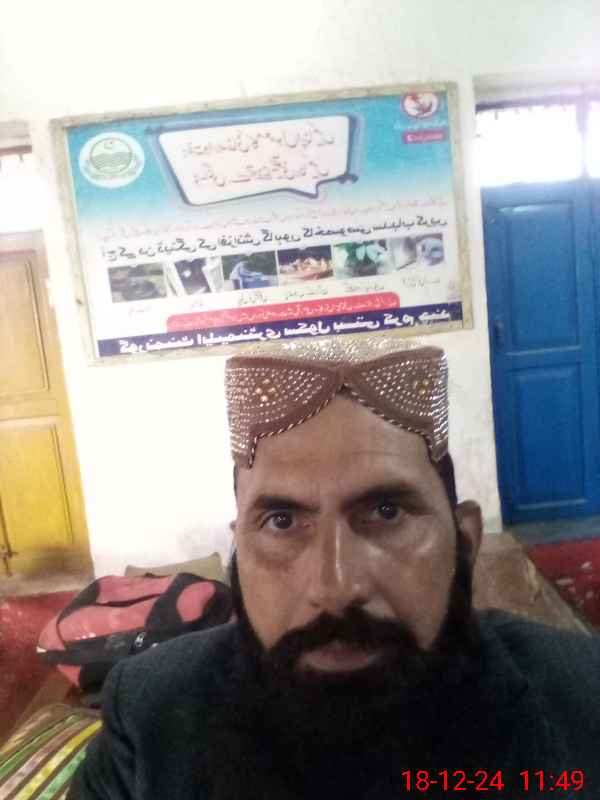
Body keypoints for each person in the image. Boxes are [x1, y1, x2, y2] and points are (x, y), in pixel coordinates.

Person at [70, 339, 600, 799]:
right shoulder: (149, 713)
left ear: (464, 541)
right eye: (282, 521)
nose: (335, 587)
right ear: (239, 550)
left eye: (386, 512)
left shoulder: (583, 702)